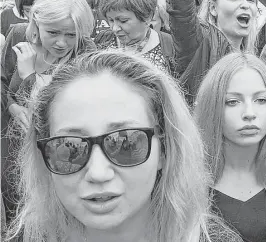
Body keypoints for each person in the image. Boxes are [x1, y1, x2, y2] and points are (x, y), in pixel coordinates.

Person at [5, 50, 242, 242]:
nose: (98, 173)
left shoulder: (214, 238)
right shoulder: (28, 236)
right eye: (69, 148)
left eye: (126, 143)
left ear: (164, 150)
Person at [195, 53, 266, 242]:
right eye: (232, 101)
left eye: (261, 100)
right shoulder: (188, 188)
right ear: (212, 107)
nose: (249, 113)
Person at [2, 0, 96, 130]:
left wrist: (29, 77)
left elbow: (71, 106)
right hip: (12, 137)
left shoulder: (84, 51)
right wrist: (12, 107)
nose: (61, 43)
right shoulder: (18, 35)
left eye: (71, 35)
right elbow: (3, 83)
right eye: (53, 32)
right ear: (37, 22)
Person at [95, 0, 174, 74]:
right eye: (111, 20)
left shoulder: (169, 47)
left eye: (123, 21)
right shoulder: (103, 41)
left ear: (147, 17)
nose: (115, 28)